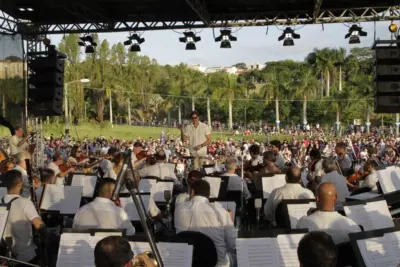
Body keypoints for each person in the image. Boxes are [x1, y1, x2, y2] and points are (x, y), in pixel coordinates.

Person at [174, 179, 237, 267]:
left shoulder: (179, 209)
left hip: (189, 262)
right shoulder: (220, 211)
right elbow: (233, 244)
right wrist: (229, 221)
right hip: (216, 264)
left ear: (192, 192)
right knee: (235, 257)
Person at [2, 170, 46, 263]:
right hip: (24, 256)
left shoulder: (1, 202)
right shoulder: (25, 202)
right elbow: (39, 226)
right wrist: (48, 238)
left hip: (4, 255)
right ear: (20, 183)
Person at [296, 183, 360, 244]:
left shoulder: (303, 222)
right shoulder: (351, 225)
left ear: (317, 198)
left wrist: (309, 218)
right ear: (336, 197)